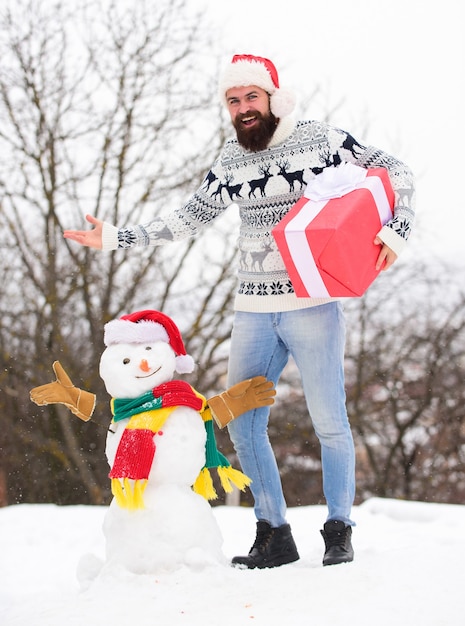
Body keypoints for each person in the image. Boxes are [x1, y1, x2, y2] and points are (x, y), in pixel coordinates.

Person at [64, 54, 415, 569]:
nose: (244, 108)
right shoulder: (232, 157)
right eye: (233, 101)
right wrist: (117, 236)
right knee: (245, 426)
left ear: (273, 97)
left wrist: (396, 229)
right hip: (252, 310)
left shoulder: (322, 141)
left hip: (313, 305)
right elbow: (190, 216)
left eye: (252, 96)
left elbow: (396, 170)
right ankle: (274, 532)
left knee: (330, 423)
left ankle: (339, 527)